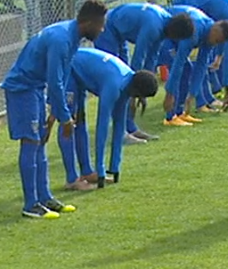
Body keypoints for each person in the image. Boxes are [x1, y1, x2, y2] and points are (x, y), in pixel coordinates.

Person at [0, 0, 107, 219]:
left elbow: (62, 75)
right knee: (31, 142)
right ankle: (31, 205)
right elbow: (55, 80)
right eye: (100, 24)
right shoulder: (61, 39)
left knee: (40, 141)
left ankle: (45, 197)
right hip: (22, 89)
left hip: (36, 88)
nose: (102, 29)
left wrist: (54, 113)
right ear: (87, 22)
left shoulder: (72, 36)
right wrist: (65, 118)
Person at [55, 48, 159, 190]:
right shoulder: (114, 85)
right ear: (136, 91)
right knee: (68, 121)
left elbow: (119, 126)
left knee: (80, 121)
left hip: (81, 70)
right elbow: (102, 126)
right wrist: (101, 168)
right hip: (70, 67)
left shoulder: (127, 84)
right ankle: (72, 179)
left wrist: (114, 167)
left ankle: (87, 172)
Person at [94, 2, 195, 142]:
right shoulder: (153, 27)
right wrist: (134, 92)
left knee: (125, 81)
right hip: (107, 29)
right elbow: (139, 57)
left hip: (120, 35)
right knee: (116, 80)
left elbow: (152, 56)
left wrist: (143, 90)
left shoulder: (164, 27)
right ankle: (120, 132)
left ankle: (131, 129)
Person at [158, 6, 228, 125]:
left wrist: (192, 94)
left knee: (188, 69)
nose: (215, 44)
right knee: (179, 67)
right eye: (217, 40)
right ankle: (170, 117)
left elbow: (201, 67)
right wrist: (169, 93)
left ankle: (180, 112)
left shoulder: (209, 36)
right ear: (215, 30)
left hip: (177, 38)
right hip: (166, 36)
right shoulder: (195, 32)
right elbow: (178, 64)